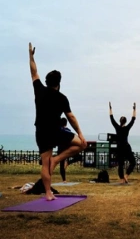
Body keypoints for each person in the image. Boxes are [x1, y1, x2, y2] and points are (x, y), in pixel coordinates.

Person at [29, 42, 87, 201]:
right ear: (58, 83)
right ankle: (56, 163)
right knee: (82, 144)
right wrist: (80, 133)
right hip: (55, 131)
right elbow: (71, 117)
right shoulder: (62, 98)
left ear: (47, 81)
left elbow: (34, 72)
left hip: (42, 131)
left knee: (46, 163)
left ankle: (48, 192)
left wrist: (31, 56)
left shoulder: (39, 89)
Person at [109, 102, 137, 184]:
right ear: (125, 121)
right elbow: (133, 119)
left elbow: (111, 118)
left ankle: (121, 179)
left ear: (120, 121)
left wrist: (110, 108)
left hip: (119, 147)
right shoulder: (127, 128)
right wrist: (134, 109)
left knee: (120, 164)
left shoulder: (117, 128)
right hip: (126, 147)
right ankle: (126, 175)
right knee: (133, 162)